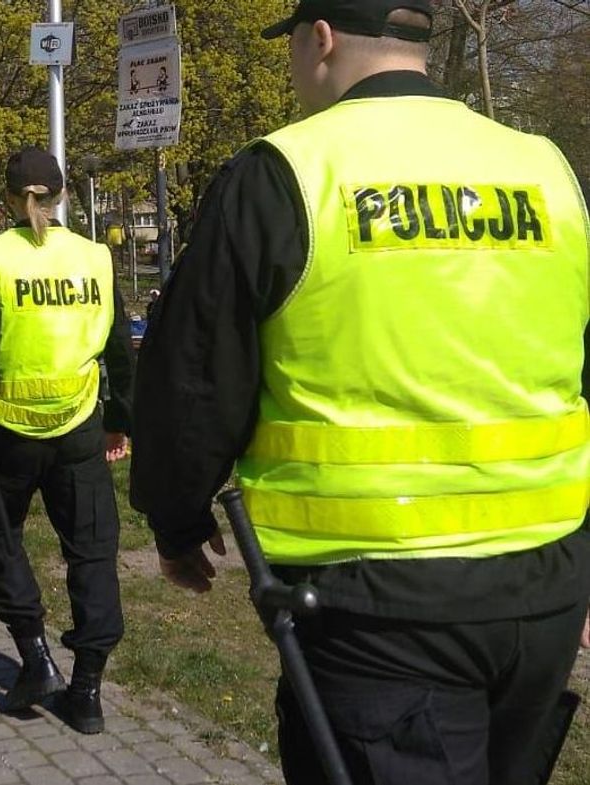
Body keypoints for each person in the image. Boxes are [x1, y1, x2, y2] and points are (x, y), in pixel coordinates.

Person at [130, 1, 590, 783]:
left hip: (376, 605)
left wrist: (175, 522)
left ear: (322, 39)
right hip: (544, 584)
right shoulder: (546, 167)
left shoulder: (284, 170)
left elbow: (194, 377)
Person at [0, 148, 134, 734]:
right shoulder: (96, 257)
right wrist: (120, 418)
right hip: (79, 425)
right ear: (60, 197)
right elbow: (119, 347)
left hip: (9, 433)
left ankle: (33, 654)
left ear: (6, 198)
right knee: (92, 549)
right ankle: (88, 691)